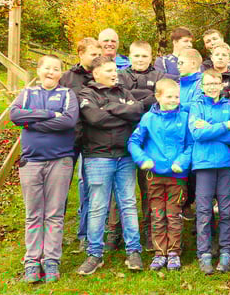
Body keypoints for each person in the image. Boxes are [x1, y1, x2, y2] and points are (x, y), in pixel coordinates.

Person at [10, 54, 78, 283]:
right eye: (47, 68)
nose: (51, 72)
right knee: (33, 213)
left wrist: (31, 123)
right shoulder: (28, 93)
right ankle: (32, 261)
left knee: (54, 213)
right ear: (39, 70)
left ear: (61, 73)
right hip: (31, 161)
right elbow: (15, 115)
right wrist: (49, 114)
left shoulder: (67, 94)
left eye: (56, 68)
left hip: (60, 160)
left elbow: (68, 121)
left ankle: (51, 261)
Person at [76, 56, 145, 275]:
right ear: (96, 73)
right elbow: (95, 119)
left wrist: (111, 107)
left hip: (125, 156)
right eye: (109, 71)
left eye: (115, 70)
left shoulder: (123, 92)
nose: (114, 74)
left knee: (128, 203)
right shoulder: (87, 94)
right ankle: (94, 254)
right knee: (98, 206)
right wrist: (123, 113)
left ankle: (133, 251)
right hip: (98, 157)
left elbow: (137, 112)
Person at [128, 78, 193, 271]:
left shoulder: (184, 117)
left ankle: (173, 252)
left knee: (174, 214)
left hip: (177, 175)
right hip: (154, 175)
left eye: (177, 97)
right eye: (169, 96)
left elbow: (191, 145)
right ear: (158, 97)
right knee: (157, 214)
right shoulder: (148, 118)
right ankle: (159, 252)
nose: (173, 100)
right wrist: (142, 160)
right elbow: (133, 142)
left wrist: (181, 162)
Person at [108, 40, 164, 251]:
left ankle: (150, 231)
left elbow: (158, 100)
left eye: (144, 56)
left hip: (150, 140)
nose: (140, 59)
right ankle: (115, 231)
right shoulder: (120, 75)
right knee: (121, 188)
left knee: (149, 188)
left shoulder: (159, 76)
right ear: (129, 56)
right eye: (137, 55)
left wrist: (132, 101)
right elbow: (117, 100)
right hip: (122, 136)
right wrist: (145, 99)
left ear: (151, 57)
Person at [188, 70, 230, 274]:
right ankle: (204, 253)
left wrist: (211, 128)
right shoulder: (197, 106)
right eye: (208, 84)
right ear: (202, 86)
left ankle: (226, 251)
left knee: (227, 210)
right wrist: (224, 126)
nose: (212, 87)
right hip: (204, 164)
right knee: (203, 211)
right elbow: (197, 134)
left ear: (222, 85)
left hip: (227, 164)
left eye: (215, 83)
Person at [59, 38, 102, 253]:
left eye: (99, 54)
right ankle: (55, 235)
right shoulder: (67, 78)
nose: (97, 58)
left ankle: (85, 234)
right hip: (69, 139)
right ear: (81, 54)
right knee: (61, 188)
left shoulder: (101, 75)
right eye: (93, 54)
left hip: (94, 139)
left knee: (89, 187)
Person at [177, 48, 204, 112]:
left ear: (193, 64)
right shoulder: (177, 85)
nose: (178, 67)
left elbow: (198, 106)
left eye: (181, 63)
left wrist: (175, 107)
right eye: (178, 63)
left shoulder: (204, 83)